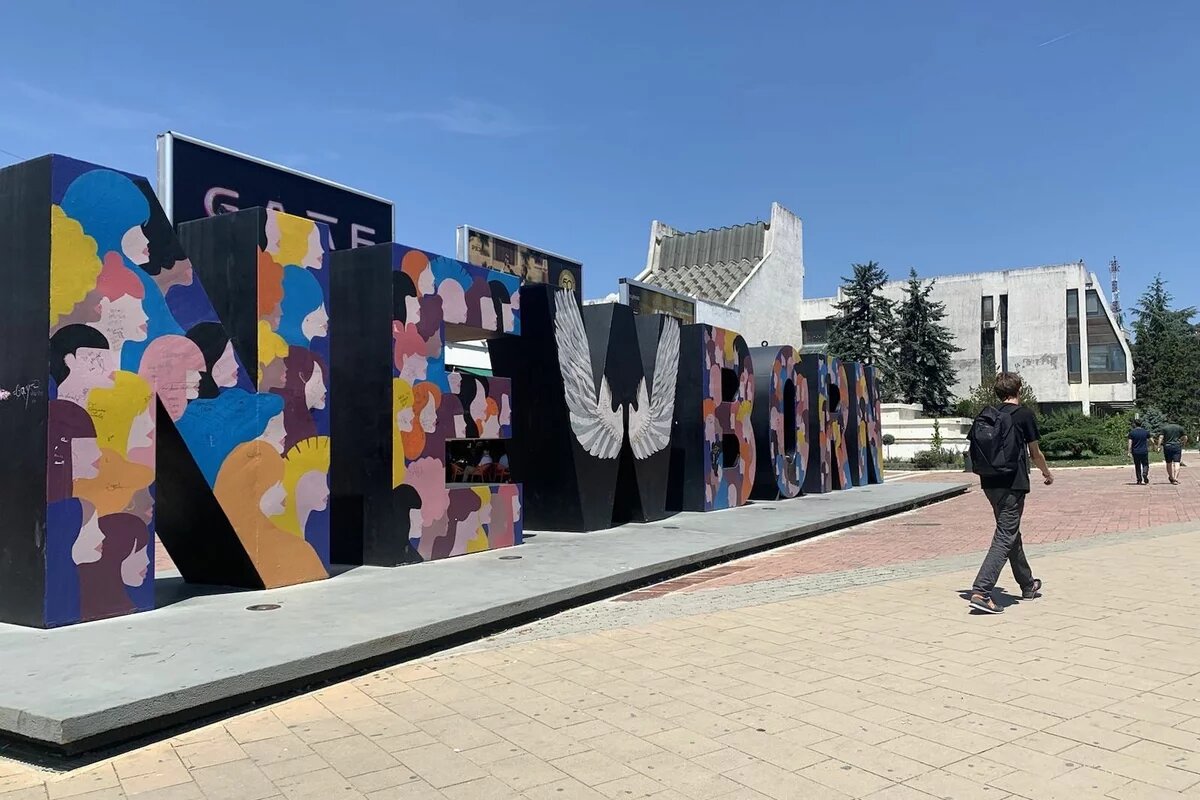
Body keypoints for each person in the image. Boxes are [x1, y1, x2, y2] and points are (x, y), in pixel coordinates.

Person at [968, 372, 1053, 614]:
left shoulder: (988, 415)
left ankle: (1028, 585)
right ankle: (982, 591)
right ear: (1019, 389)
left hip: (989, 482)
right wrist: (1047, 473)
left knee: (1010, 531)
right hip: (1013, 483)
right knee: (1006, 534)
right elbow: (1035, 453)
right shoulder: (1024, 414)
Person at [1157, 420, 1188, 485]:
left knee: (1169, 463)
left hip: (1167, 446)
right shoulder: (1180, 428)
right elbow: (1185, 437)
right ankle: (1176, 478)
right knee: (1177, 462)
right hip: (1177, 446)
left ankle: (1171, 477)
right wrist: (1184, 443)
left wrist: (1159, 446)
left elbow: (1161, 437)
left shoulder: (1165, 428)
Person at [1128, 418, 1152, 485]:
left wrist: (1129, 451)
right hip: (1144, 451)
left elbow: (1130, 443)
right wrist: (1153, 445)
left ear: (1134, 424)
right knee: (1145, 464)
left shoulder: (1132, 432)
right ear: (1141, 424)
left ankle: (1139, 479)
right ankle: (1145, 473)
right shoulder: (1145, 432)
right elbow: (1151, 440)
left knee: (1137, 465)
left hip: (1135, 451)